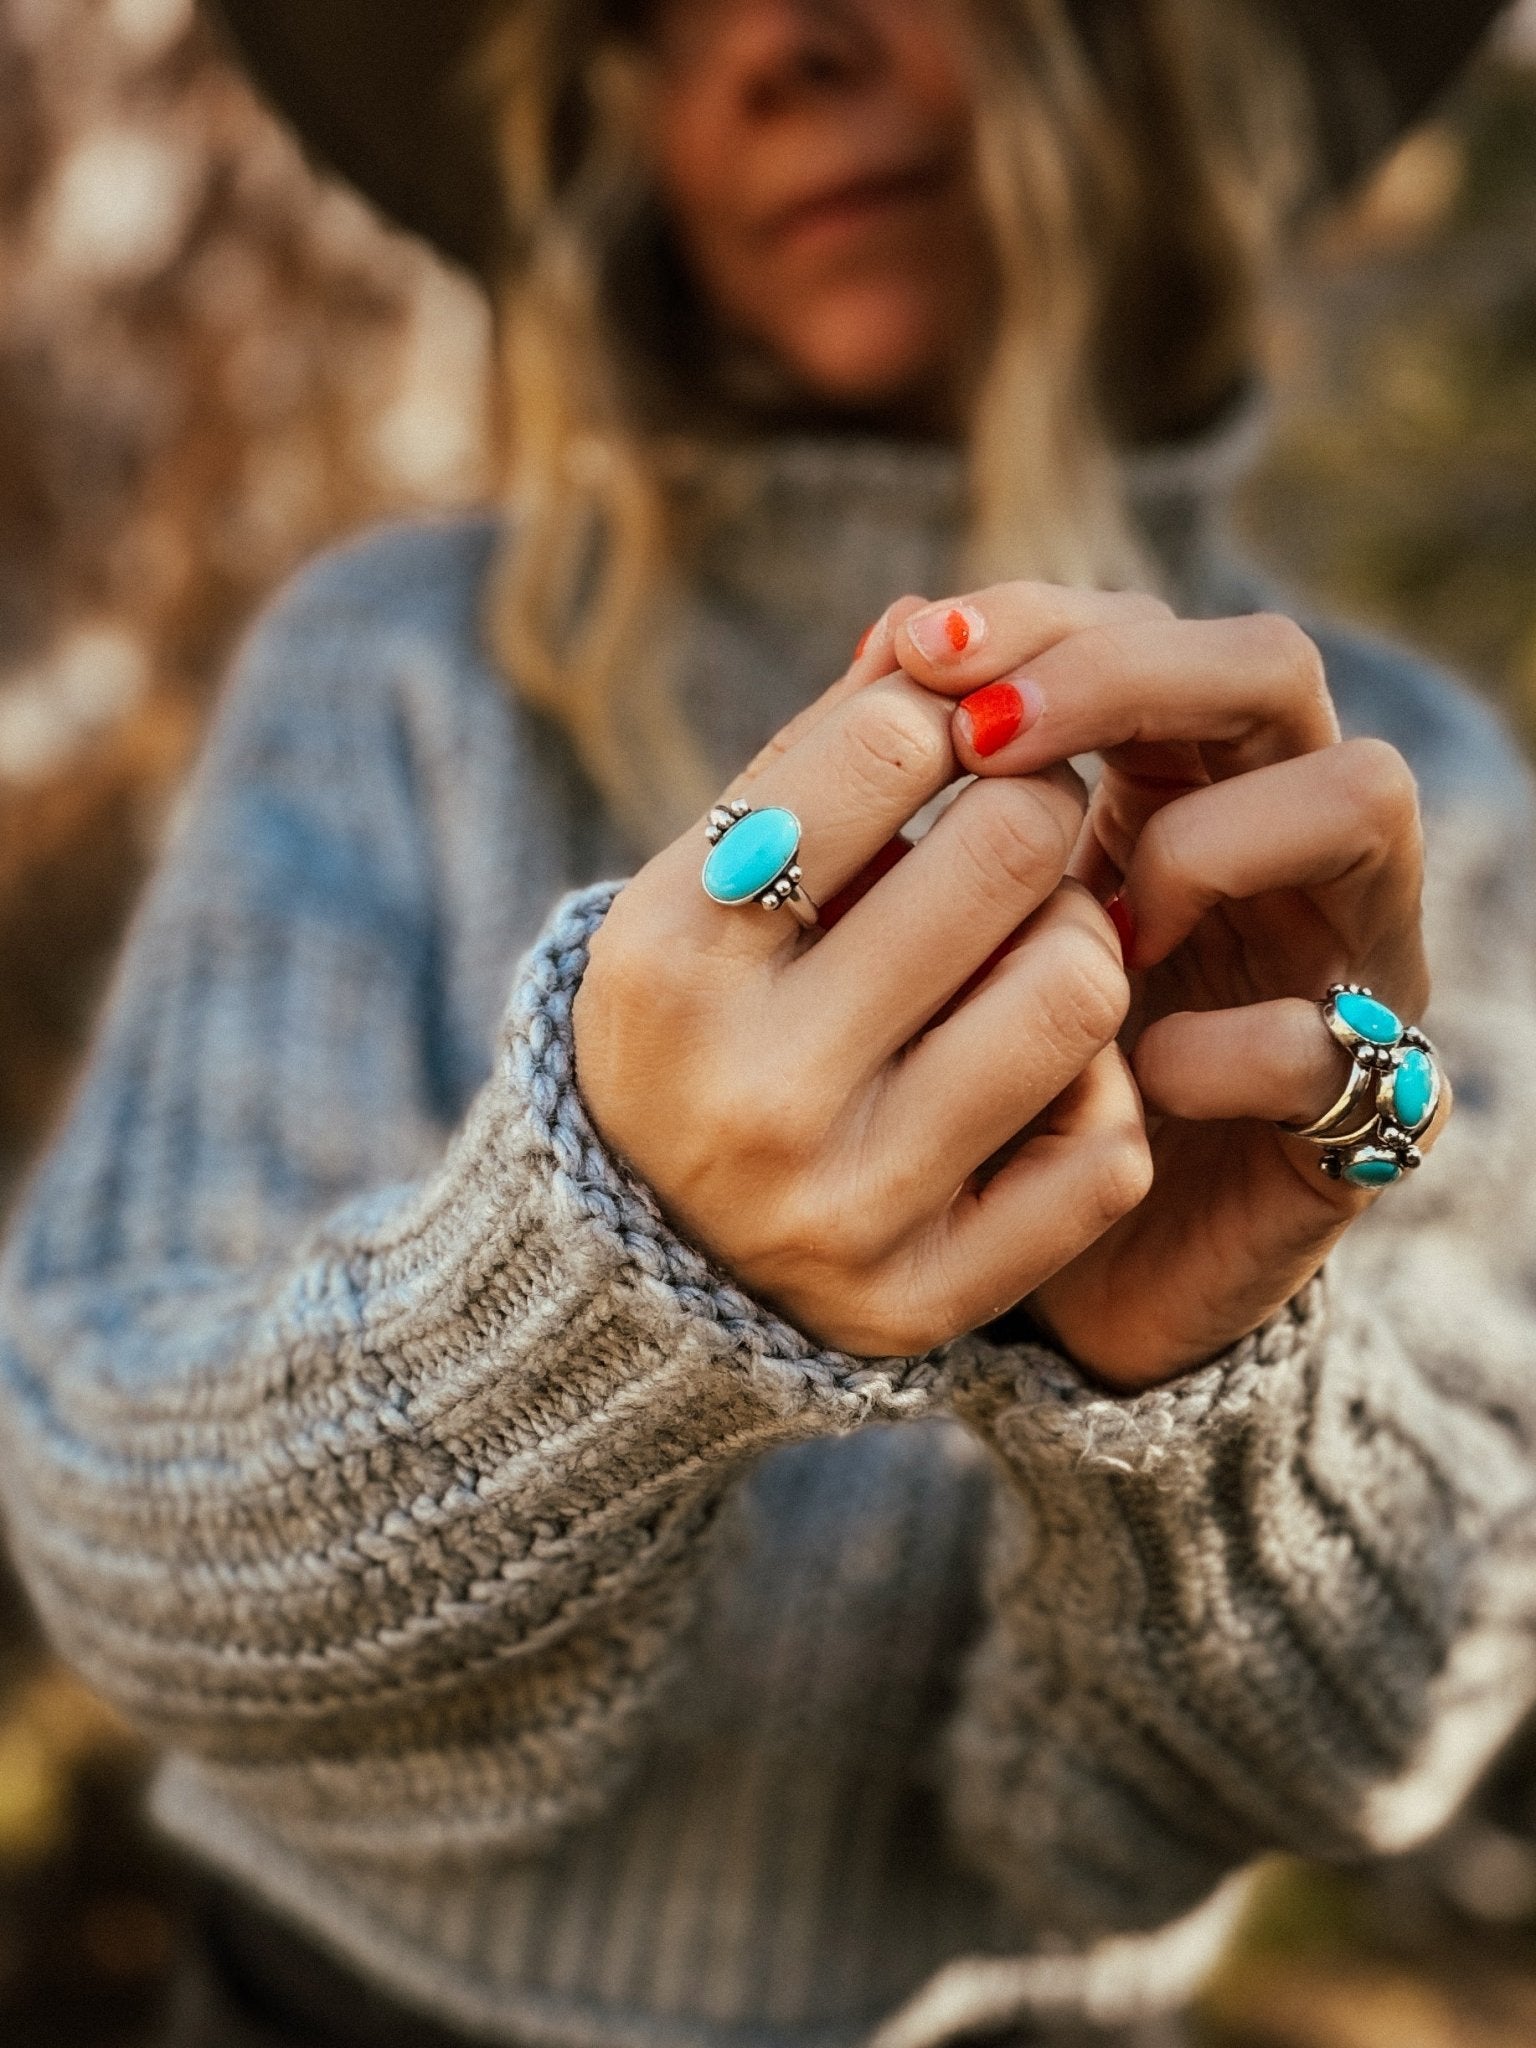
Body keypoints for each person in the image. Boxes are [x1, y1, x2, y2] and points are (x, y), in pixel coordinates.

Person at [1, 2, 1533, 2044]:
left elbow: (1406, 1714)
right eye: (654, 6)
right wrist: (606, 1272)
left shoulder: (1384, 801)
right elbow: (108, 1516)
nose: (774, 47)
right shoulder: (396, 677)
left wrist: (1217, 1377)